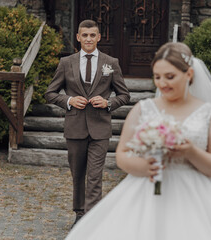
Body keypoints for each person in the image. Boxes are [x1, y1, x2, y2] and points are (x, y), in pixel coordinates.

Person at [65, 42, 211, 239]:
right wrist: (145, 166)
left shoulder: (209, 114)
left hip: (195, 197)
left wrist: (191, 152)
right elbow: (122, 156)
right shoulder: (143, 109)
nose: (162, 83)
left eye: (170, 77)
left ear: (189, 75)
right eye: (157, 77)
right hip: (147, 191)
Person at [45, 20, 130, 227]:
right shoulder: (67, 63)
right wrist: (69, 101)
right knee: (78, 175)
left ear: (99, 37)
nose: (89, 39)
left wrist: (108, 102)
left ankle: (92, 217)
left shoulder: (111, 62)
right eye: (85, 35)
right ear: (78, 37)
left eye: (93, 35)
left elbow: (124, 95)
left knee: (94, 175)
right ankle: (80, 212)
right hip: (75, 128)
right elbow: (50, 93)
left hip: (100, 128)